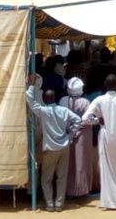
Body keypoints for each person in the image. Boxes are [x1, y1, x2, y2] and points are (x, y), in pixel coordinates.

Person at [26, 74, 82, 212]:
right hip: (64, 147)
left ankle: (49, 204)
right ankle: (59, 204)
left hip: (50, 148)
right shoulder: (64, 111)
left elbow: (30, 100)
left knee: (46, 178)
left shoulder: (43, 111)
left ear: (45, 100)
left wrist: (32, 86)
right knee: (61, 177)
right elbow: (78, 120)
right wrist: (70, 135)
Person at [82, 74, 116, 209]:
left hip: (106, 137)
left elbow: (84, 118)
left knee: (107, 168)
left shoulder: (99, 100)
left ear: (105, 86)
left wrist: (97, 121)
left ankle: (111, 201)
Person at [58, 77, 93, 198]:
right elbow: (88, 120)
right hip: (83, 135)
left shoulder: (63, 100)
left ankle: (69, 190)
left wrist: (71, 129)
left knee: (68, 162)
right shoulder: (86, 102)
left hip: (67, 133)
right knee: (82, 161)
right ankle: (82, 190)